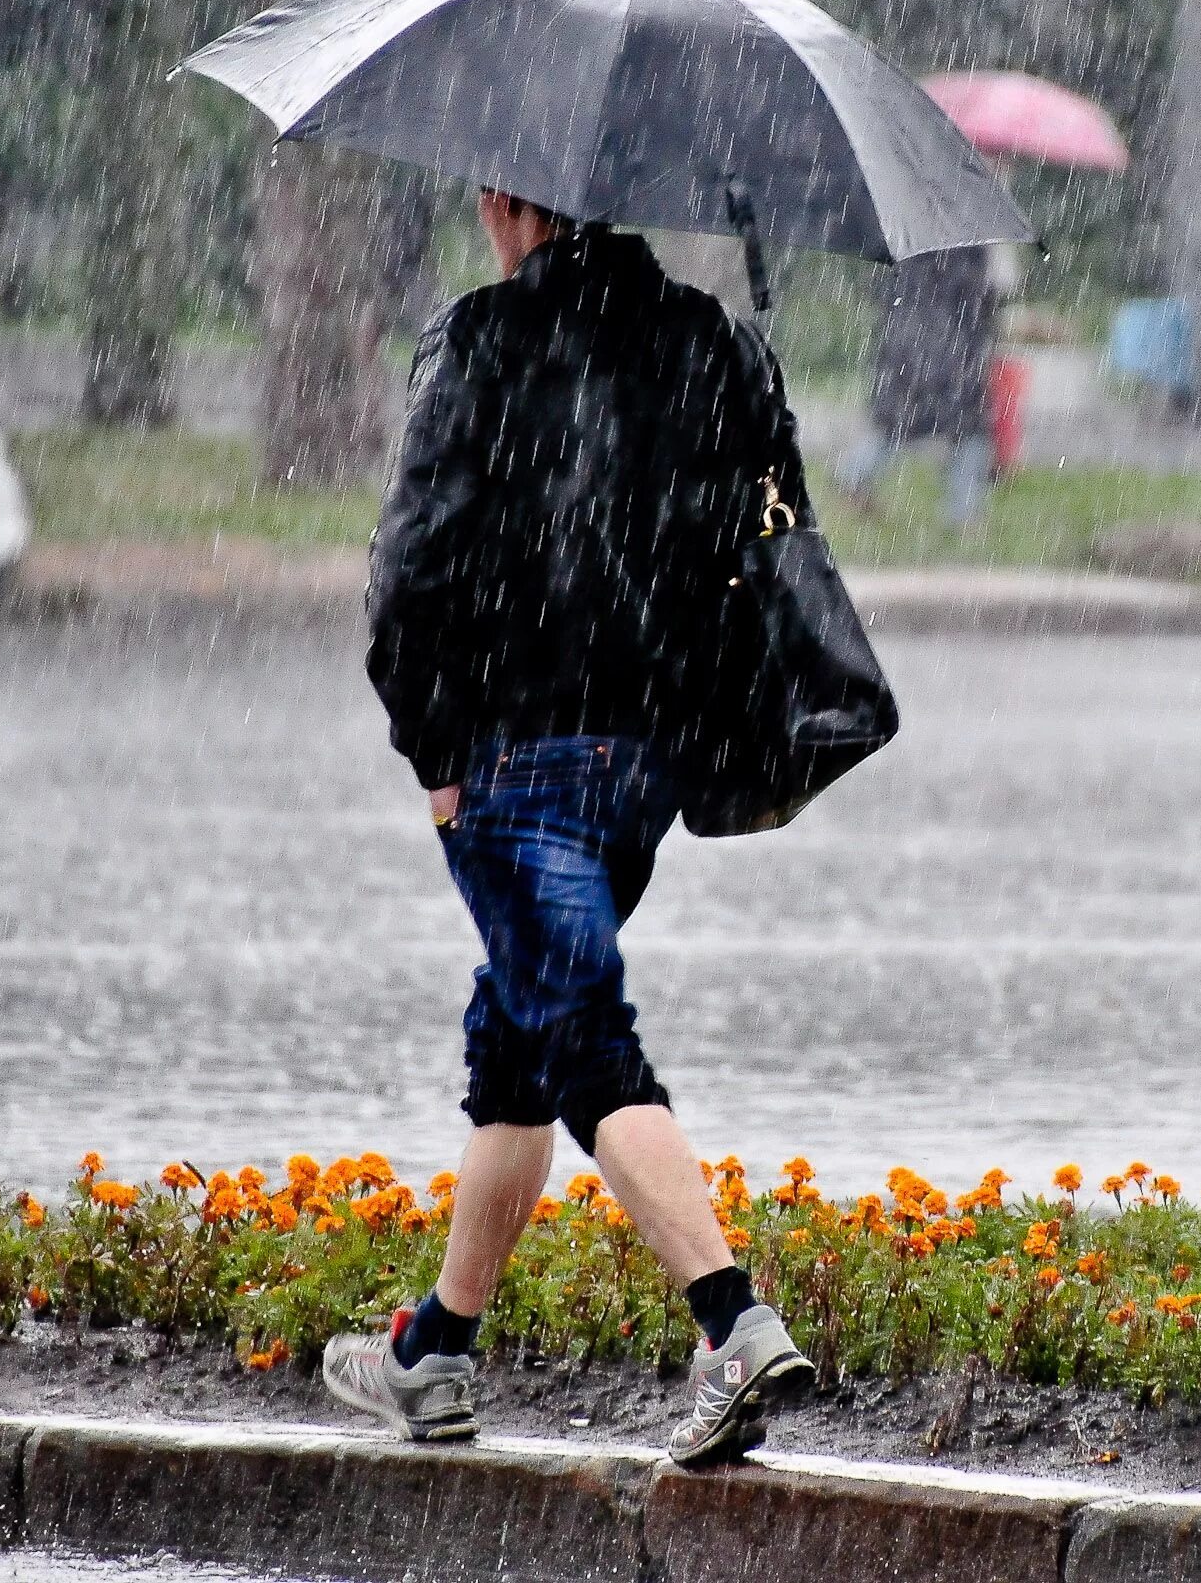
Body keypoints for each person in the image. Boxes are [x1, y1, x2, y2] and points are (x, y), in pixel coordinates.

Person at [323, 187, 817, 1466]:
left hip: (513, 760)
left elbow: (408, 577)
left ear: (507, 199)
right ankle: (435, 1353)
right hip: (646, 765)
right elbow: (761, 550)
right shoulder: (714, 342)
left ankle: (733, 1322)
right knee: (520, 1035)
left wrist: (439, 763)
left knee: (585, 1040)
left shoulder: (482, 339)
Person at [837, 243, 997, 527]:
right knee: (970, 431)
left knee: (895, 422)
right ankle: (964, 514)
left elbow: (883, 290)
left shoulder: (904, 237)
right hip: (950, 349)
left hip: (902, 342)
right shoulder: (967, 242)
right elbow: (977, 297)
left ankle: (852, 474)